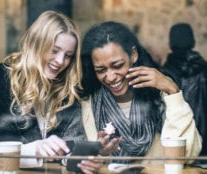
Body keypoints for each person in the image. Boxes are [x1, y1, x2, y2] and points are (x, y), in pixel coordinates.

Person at [0, 10, 103, 174]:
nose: (60, 61)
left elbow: (71, 143)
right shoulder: (0, 79)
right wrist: (34, 149)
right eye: (54, 50)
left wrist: (78, 160)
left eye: (68, 56)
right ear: (36, 43)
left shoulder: (67, 87)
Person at [80, 21, 202, 164]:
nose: (111, 77)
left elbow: (188, 154)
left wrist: (172, 91)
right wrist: (99, 153)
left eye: (118, 65)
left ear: (133, 55)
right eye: (101, 70)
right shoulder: (88, 105)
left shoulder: (159, 97)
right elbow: (84, 163)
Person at [162, 23, 207, 156]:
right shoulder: (204, 70)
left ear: (170, 43)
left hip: (177, 140)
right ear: (193, 41)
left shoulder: (164, 75)